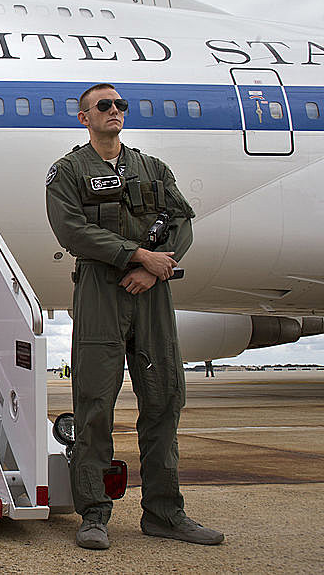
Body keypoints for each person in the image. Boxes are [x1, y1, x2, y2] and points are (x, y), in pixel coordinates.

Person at [45, 83, 224, 550]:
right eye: (104, 105)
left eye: (120, 105)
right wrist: (135, 256)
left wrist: (154, 268)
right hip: (101, 293)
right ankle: (94, 514)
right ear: (84, 117)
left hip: (152, 292)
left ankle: (165, 513)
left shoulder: (153, 168)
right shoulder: (68, 170)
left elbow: (181, 220)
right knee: (95, 406)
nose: (115, 111)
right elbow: (71, 230)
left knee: (164, 400)